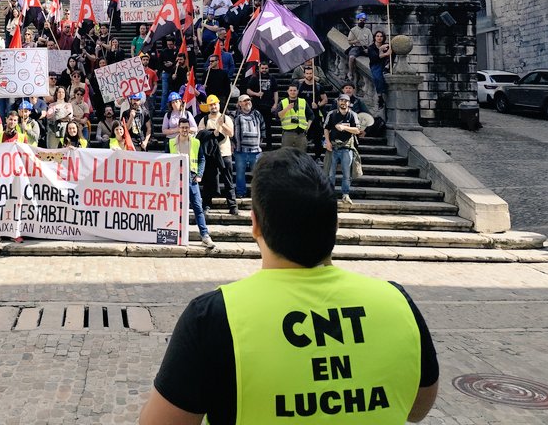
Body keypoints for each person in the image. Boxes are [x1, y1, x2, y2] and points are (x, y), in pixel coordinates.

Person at [142, 148, 439, 425]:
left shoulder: (213, 317)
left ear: (255, 224)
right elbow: (419, 406)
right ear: (335, 224)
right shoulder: (397, 302)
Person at [169, 119, 214, 249]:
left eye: (186, 128)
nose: (184, 130)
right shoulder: (171, 142)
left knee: (198, 207)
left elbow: (201, 159)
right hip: (176, 179)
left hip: (192, 178)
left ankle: (205, 235)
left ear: (189, 128)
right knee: (175, 208)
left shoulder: (195, 142)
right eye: (182, 127)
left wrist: (199, 174)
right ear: (178, 128)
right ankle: (175, 233)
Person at [197, 95, 238, 215]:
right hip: (210, 154)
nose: (213, 106)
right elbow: (199, 134)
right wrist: (211, 134)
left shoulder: (226, 118)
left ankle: (232, 205)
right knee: (208, 181)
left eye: (215, 104)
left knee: (228, 180)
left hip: (224, 153)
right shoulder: (204, 120)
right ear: (208, 107)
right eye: (211, 105)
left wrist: (222, 125)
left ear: (219, 105)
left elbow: (231, 134)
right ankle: (207, 205)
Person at [325, 94, 362, 205]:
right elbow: (326, 128)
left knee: (347, 174)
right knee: (331, 173)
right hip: (333, 146)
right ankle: (330, 194)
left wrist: (344, 127)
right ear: (338, 102)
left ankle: (345, 195)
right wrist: (327, 141)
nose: (343, 103)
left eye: (346, 101)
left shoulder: (353, 115)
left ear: (349, 103)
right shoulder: (331, 114)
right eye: (341, 100)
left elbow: (357, 130)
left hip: (347, 148)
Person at [232, 94, 266, 198]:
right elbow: (229, 129)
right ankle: (240, 193)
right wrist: (232, 143)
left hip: (255, 151)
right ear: (239, 103)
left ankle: (257, 194)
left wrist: (259, 141)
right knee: (240, 174)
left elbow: (263, 127)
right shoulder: (234, 114)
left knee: (257, 174)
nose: (248, 102)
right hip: (240, 150)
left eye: (249, 100)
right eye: (245, 100)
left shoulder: (257, 114)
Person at [275, 84, 312, 152]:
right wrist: (286, 109)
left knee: (301, 155)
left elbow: (311, 115)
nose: (293, 92)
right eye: (291, 90)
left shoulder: (303, 101)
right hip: (288, 133)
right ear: (288, 91)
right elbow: (277, 116)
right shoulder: (283, 102)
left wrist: (308, 125)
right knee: (286, 155)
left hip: (301, 133)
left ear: (297, 91)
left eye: (294, 90)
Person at [346, 12, 373, 84]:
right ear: (358, 20)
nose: (362, 21)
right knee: (351, 57)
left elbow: (371, 42)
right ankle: (350, 72)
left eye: (364, 20)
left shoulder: (368, 31)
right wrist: (355, 41)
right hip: (356, 47)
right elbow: (349, 42)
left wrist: (368, 49)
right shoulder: (353, 30)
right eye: (361, 20)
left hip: (365, 47)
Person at [368, 30, 392, 108]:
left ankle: (387, 67)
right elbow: (374, 58)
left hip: (384, 64)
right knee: (377, 78)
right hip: (375, 64)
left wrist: (389, 49)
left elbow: (391, 53)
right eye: (377, 36)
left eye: (381, 36)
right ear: (375, 37)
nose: (379, 38)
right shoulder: (371, 47)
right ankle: (380, 96)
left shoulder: (386, 45)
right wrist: (381, 51)